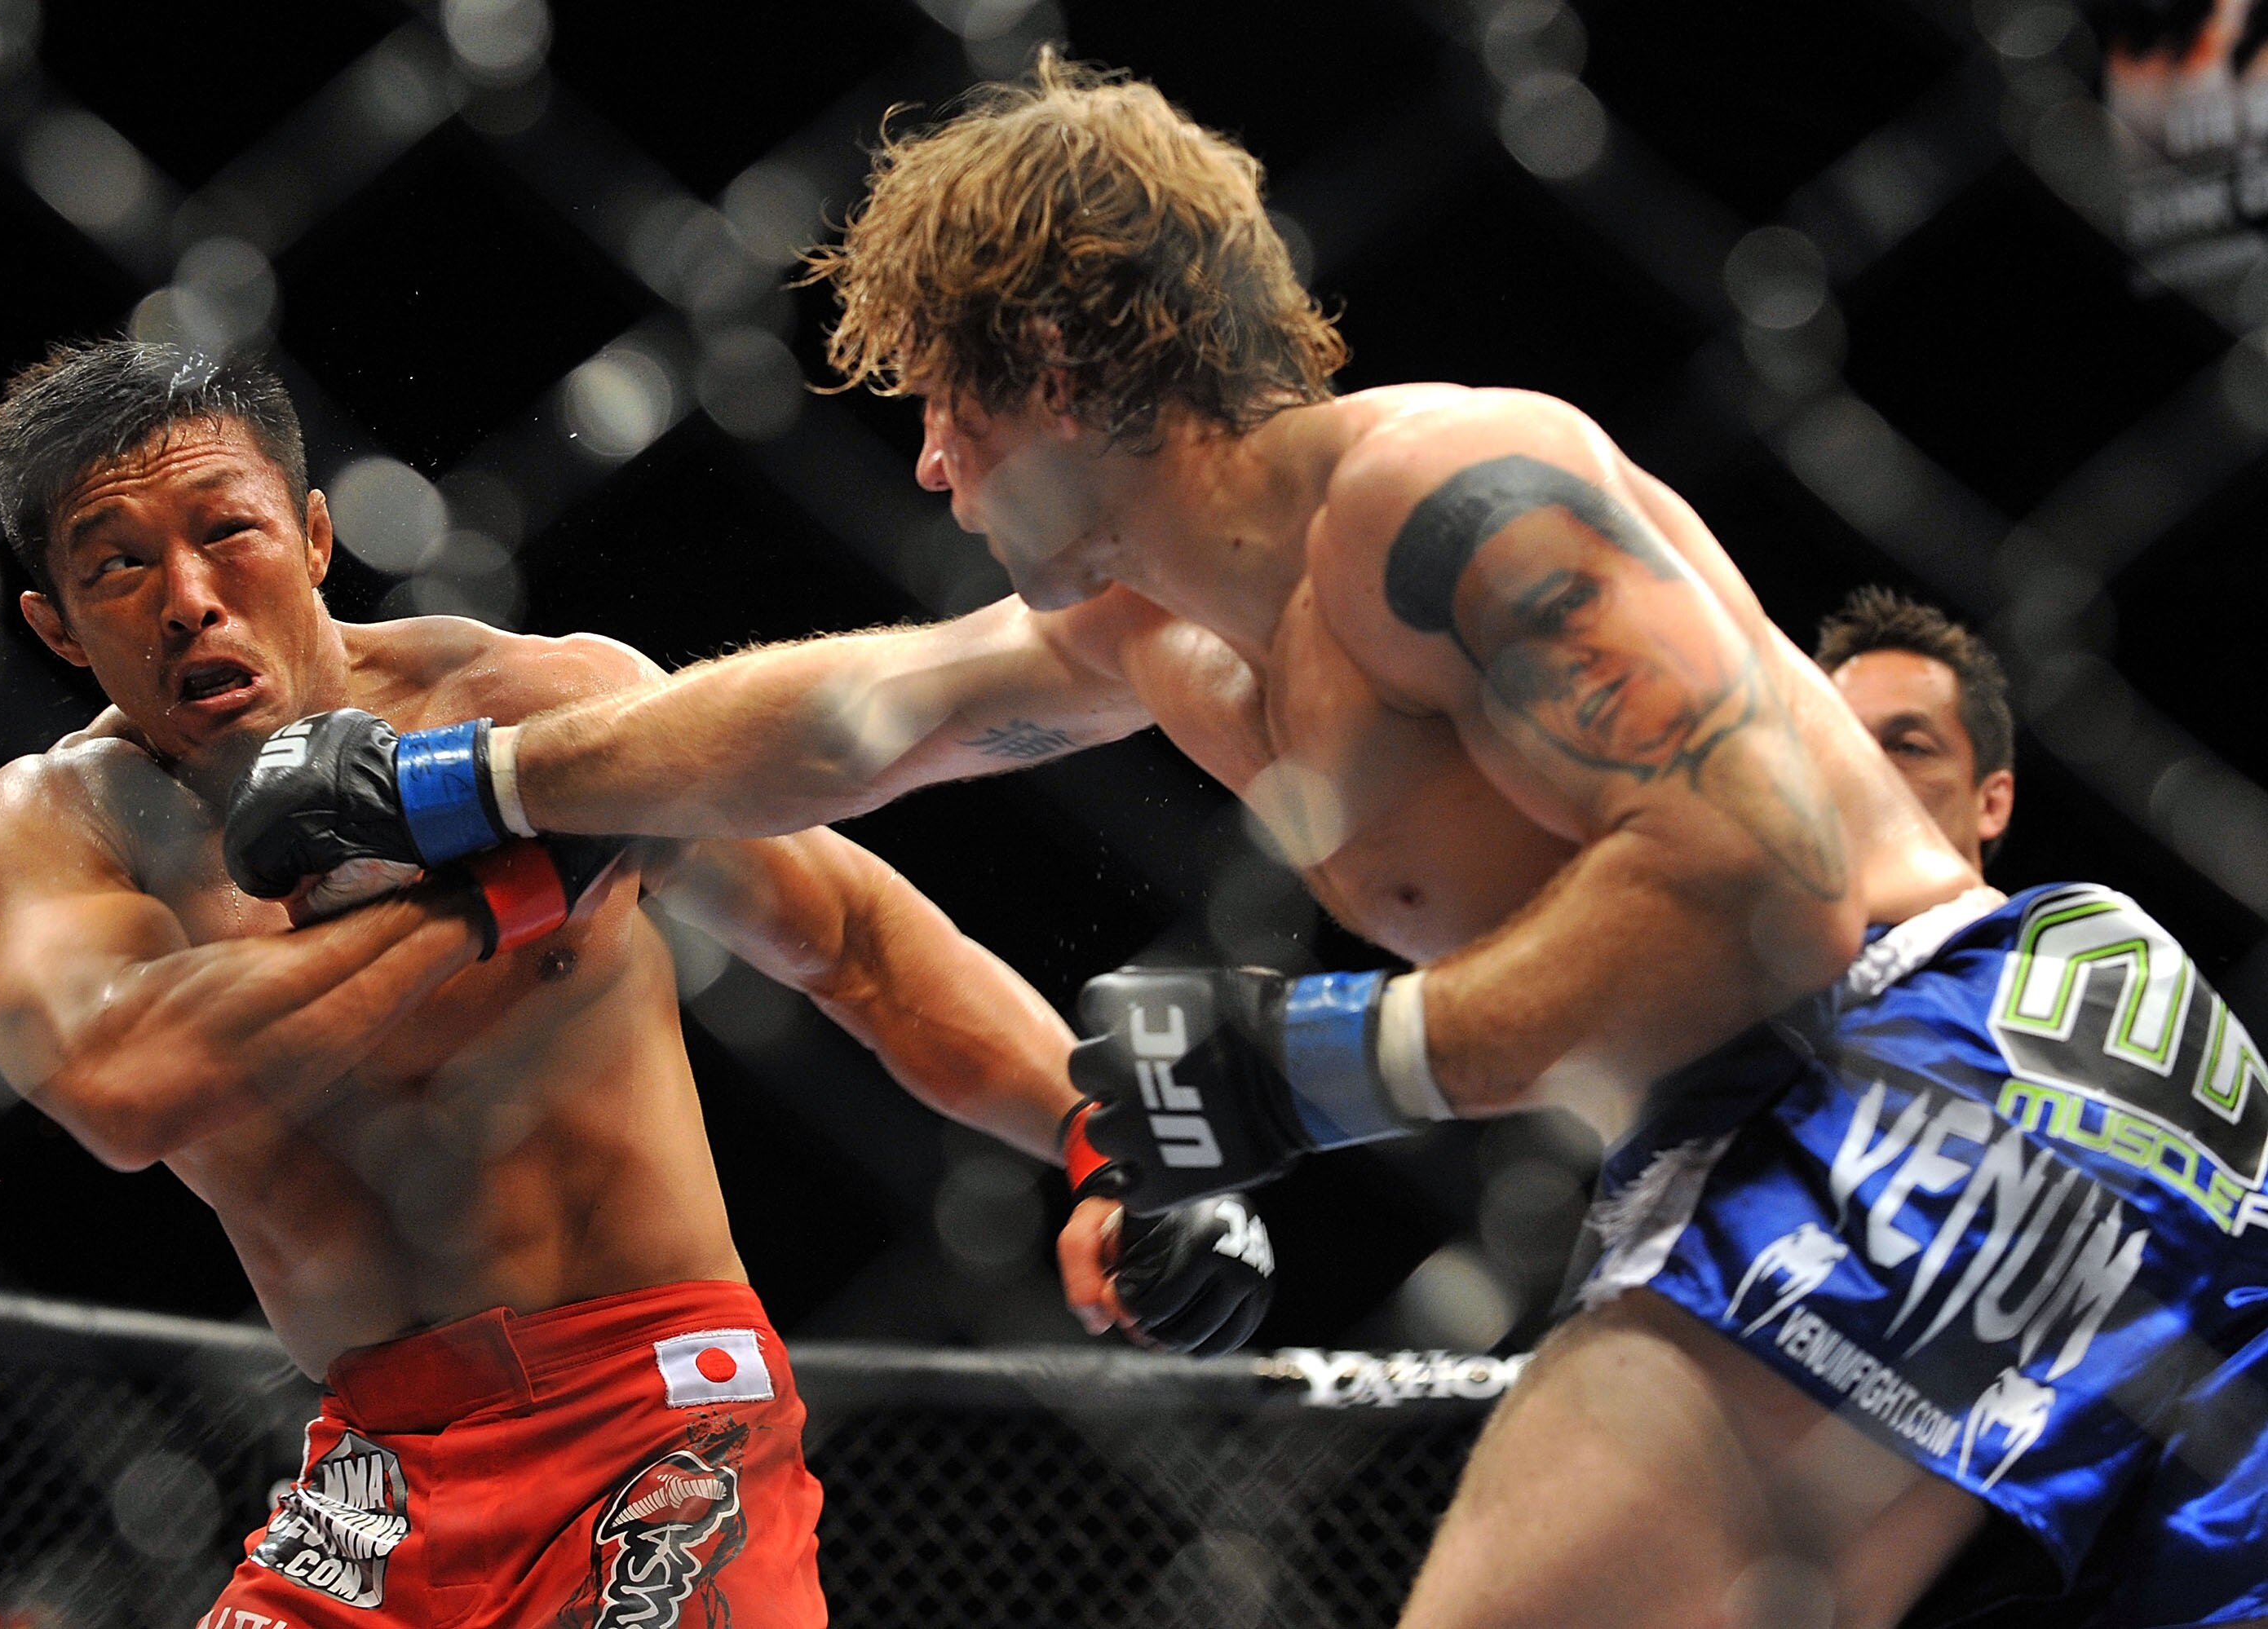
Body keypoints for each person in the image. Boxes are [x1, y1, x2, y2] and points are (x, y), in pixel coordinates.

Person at [222, 54, 2268, 1629]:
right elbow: (850, 717)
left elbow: (1767, 880)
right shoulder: (1168, 634)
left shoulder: (1443, 493)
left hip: (1922, 1067)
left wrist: (1325, 1063)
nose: (926, 468)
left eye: (943, 406)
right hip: (2009, 1102)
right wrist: (468, 786)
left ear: (1047, 368)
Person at [0, 338, 1273, 1627]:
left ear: (313, 535)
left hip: (659, 1416)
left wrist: (1105, 1140)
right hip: (377, 1471)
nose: (189, 597)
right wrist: (495, 896)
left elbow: (855, 941)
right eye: (119, 566)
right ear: (54, 626)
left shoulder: (533, 709)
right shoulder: (66, 823)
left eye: (227, 532)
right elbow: (125, 1083)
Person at [1815, 585, 2016, 876]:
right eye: (1839, 744)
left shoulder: (2063, 905)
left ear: (1991, 805)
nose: (1860, 769)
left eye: (1908, 748)